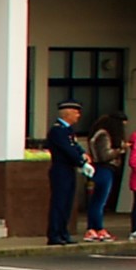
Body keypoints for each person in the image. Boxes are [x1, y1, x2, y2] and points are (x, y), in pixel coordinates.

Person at [44, 99, 89, 245]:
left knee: (67, 203)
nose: (78, 116)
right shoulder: (57, 131)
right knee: (59, 202)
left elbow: (75, 146)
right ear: (67, 113)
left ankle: (63, 232)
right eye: (76, 112)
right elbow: (67, 149)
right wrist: (80, 161)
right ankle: (55, 234)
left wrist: (83, 155)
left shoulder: (68, 130)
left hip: (69, 169)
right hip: (60, 169)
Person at [83, 111, 127, 241]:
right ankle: (96, 228)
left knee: (96, 201)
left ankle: (94, 228)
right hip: (104, 168)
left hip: (99, 169)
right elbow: (105, 155)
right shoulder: (104, 135)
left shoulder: (98, 133)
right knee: (99, 201)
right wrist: (121, 149)